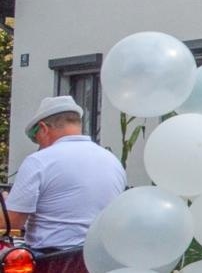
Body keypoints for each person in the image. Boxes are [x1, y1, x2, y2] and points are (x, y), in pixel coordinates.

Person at [4, 96, 124, 250]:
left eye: (35, 137)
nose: (38, 143)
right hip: (98, 256)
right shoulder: (112, 161)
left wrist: (7, 205)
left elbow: (11, 222)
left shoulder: (39, 161)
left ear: (43, 128)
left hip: (52, 260)